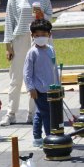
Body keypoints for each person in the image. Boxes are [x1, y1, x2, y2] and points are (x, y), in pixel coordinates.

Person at [1, 0, 52, 126]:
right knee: (16, 77)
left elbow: (50, 17)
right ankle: (11, 114)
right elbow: (9, 22)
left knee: (37, 76)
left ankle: (33, 113)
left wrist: (42, 15)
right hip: (20, 39)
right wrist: (8, 45)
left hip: (38, 38)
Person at [24, 19, 58, 148]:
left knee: (40, 113)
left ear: (49, 35)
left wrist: (58, 85)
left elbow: (54, 69)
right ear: (32, 36)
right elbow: (27, 72)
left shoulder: (51, 49)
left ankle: (37, 137)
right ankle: (50, 137)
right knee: (47, 114)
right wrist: (30, 88)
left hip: (51, 89)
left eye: (43, 34)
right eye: (37, 35)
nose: (40, 37)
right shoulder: (32, 52)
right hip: (39, 90)